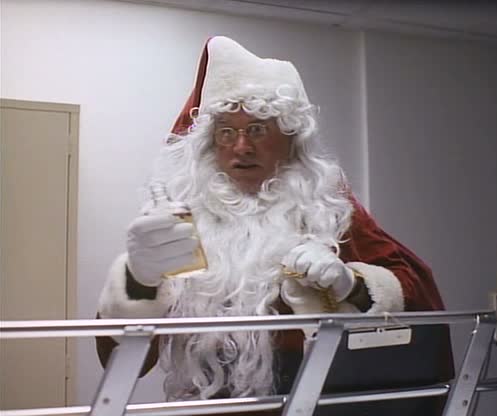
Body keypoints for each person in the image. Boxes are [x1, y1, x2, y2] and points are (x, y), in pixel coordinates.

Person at [96, 36, 453, 415]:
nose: (241, 147)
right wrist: (140, 280)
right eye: (226, 132)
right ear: (209, 144)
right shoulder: (177, 223)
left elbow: (419, 296)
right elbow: (120, 361)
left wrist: (354, 286)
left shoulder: (326, 207)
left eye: (257, 129)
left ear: (291, 138)